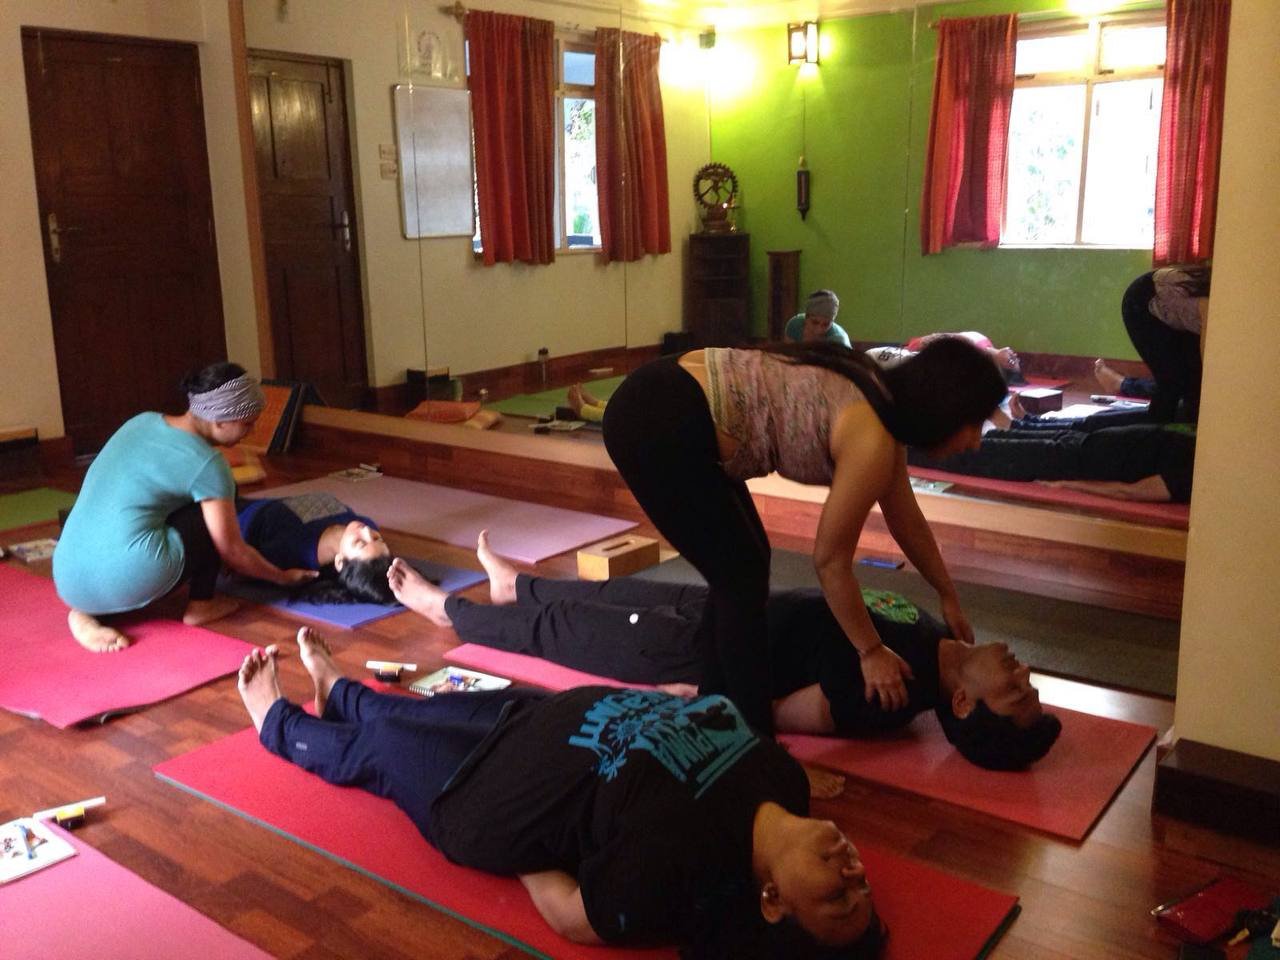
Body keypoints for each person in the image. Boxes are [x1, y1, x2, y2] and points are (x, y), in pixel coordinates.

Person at [237, 630, 888, 960]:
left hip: (485, 798)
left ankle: (278, 724)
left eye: (837, 899)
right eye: (863, 888)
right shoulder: (786, 783)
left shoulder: (680, 871)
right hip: (537, 717)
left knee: (383, 749)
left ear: (772, 901)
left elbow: (574, 918)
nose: (855, 875)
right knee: (414, 711)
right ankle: (339, 690)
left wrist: (525, 845)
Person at [600, 338, 1008, 735]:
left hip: (667, 395)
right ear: (945, 409)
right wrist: (870, 651)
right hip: (656, 420)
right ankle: (753, 742)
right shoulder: (872, 436)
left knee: (744, 571)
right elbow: (830, 562)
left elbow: (906, 519)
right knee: (740, 581)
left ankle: (717, 709)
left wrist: (947, 593)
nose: (976, 442)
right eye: (975, 424)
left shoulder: (883, 403)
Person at [386, 535, 1062, 771]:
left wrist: (696, 703)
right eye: (1030, 685)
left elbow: (782, 712)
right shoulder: (939, 638)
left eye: (1015, 693)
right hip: (726, 607)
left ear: (964, 703)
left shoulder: (890, 696)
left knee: (565, 632)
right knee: (604, 593)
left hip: (696, 650)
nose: (1022, 673)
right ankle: (516, 585)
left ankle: (448, 611)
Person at [52, 362, 317, 653]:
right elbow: (232, 550)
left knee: (153, 513)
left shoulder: (140, 422)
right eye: (247, 423)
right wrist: (281, 577)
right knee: (211, 512)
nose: (250, 432)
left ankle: (86, 613)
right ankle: (202, 605)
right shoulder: (208, 464)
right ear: (221, 420)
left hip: (68, 576)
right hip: (127, 575)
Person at [909, 402, 1196, 503]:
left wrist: (1069, 485)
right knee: (996, 436)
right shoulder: (1195, 442)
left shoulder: (1194, 472)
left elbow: (1133, 491)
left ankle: (904, 450)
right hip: (1079, 441)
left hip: (1071, 461)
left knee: (981, 454)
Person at [1094, 266, 1210, 422]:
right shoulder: (1209, 307)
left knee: (1191, 389)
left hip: (1177, 309)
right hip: (1143, 301)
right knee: (1172, 386)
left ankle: (1122, 385)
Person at [235, 493, 395, 604]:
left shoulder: (295, 552)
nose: (366, 531)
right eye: (377, 538)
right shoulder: (368, 524)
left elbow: (238, 557)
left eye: (360, 543)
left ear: (340, 562)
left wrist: (281, 577)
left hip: (240, 515)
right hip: (265, 500)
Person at [866, 331, 1021, 379]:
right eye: (1015, 358)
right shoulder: (984, 341)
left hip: (910, 360)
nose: (1013, 356)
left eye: (1012, 362)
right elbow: (939, 338)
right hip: (908, 353)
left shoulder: (972, 363)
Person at [784, 290, 852, 347]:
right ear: (806, 317)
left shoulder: (838, 340)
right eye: (814, 322)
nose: (819, 330)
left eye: (826, 324)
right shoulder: (795, 325)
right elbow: (788, 352)